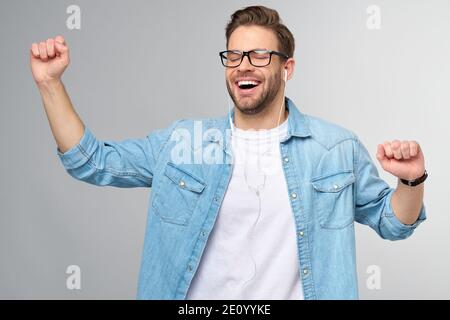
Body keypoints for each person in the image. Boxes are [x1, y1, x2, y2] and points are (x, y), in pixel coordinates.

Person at [30, 5, 427, 300]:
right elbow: (92, 162)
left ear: (287, 68)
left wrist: (411, 179)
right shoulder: (182, 143)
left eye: (259, 56)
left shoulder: (335, 148)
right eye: (234, 56)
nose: (243, 66)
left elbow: (393, 223)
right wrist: (50, 84)